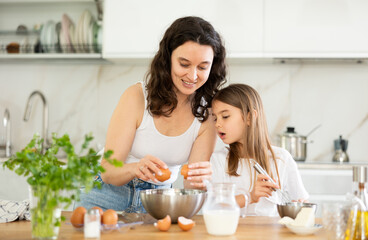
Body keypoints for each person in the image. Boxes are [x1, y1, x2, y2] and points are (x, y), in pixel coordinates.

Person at [77, 16, 227, 213]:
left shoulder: (206, 115)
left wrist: (202, 178)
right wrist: (136, 168)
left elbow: (191, 186)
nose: (192, 76)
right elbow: (108, 171)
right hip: (106, 195)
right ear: (167, 59)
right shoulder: (137, 97)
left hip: (160, 202)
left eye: (202, 67)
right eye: (184, 64)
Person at [210, 83, 309, 216]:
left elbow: (300, 204)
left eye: (225, 116)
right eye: (215, 118)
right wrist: (250, 197)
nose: (217, 124)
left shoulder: (281, 158)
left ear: (250, 117)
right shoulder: (218, 160)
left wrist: (300, 207)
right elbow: (214, 207)